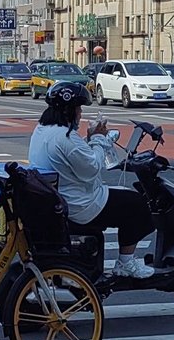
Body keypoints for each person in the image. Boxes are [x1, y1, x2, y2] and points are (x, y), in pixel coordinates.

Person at [28, 81, 155, 279]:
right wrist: (97, 138)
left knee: (125, 199)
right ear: (69, 110)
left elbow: (76, 160)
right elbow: (92, 169)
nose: (80, 113)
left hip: (62, 197)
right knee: (138, 206)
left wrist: (90, 139)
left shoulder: (43, 130)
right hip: (81, 204)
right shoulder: (65, 137)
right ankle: (126, 262)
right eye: (78, 108)